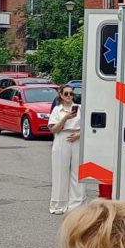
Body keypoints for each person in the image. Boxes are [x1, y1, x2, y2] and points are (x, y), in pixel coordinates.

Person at [47, 84, 83, 214]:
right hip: (62, 137)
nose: (69, 96)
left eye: (71, 94)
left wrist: (79, 135)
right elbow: (53, 129)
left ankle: (76, 204)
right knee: (60, 172)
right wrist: (65, 118)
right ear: (61, 96)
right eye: (66, 94)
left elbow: (88, 126)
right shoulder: (57, 110)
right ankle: (58, 204)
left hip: (77, 138)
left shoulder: (80, 108)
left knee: (78, 172)